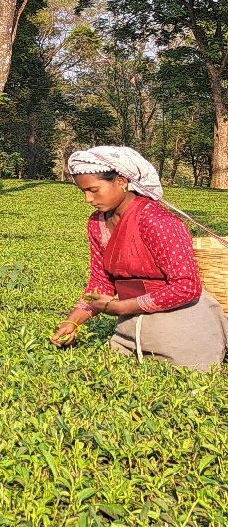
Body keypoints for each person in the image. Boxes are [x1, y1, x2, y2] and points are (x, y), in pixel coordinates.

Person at [50, 146, 226, 371]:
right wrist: (73, 321)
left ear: (122, 181)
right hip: (131, 327)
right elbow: (101, 282)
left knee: (183, 375)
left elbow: (187, 287)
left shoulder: (158, 221)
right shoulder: (97, 223)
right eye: (83, 191)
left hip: (181, 323)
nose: (88, 199)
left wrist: (122, 307)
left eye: (93, 189)